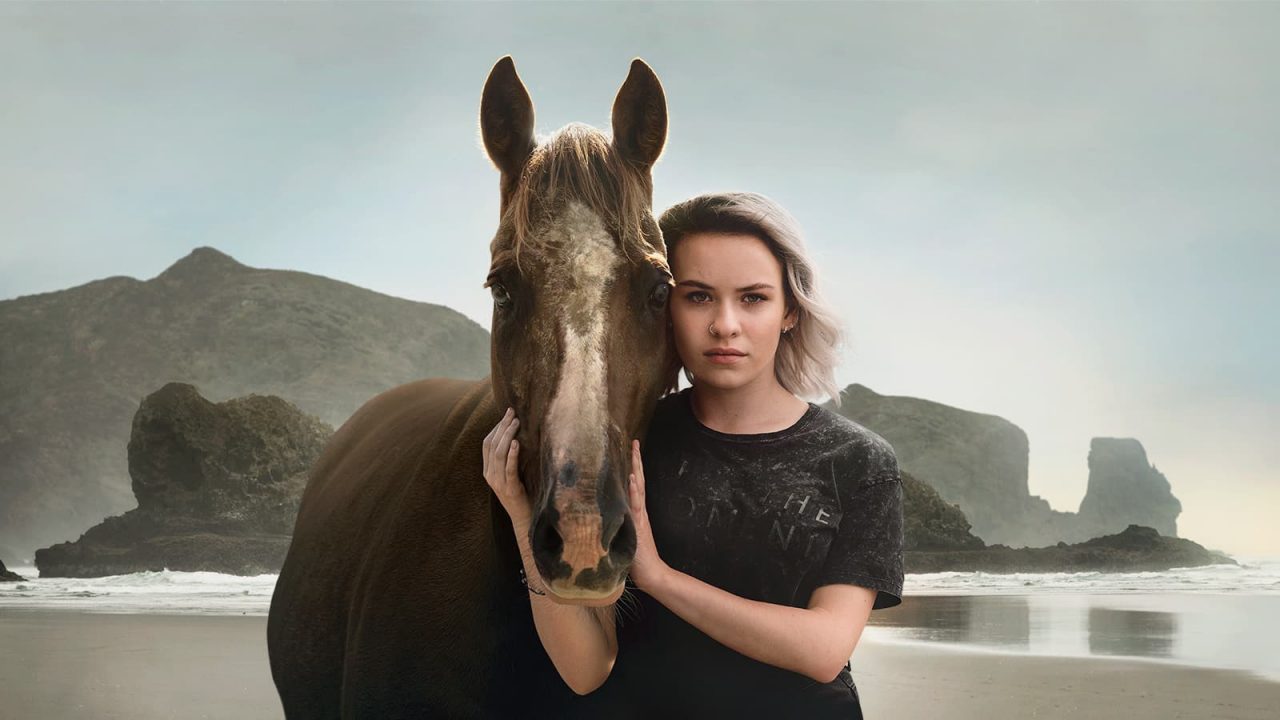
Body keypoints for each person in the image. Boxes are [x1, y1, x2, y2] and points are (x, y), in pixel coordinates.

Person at [483, 191, 904, 717]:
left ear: (790, 311)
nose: (725, 324)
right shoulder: (635, 446)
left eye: (753, 298)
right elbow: (587, 669)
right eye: (698, 296)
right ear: (664, 308)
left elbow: (823, 651)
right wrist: (526, 519)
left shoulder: (858, 462)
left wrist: (659, 579)